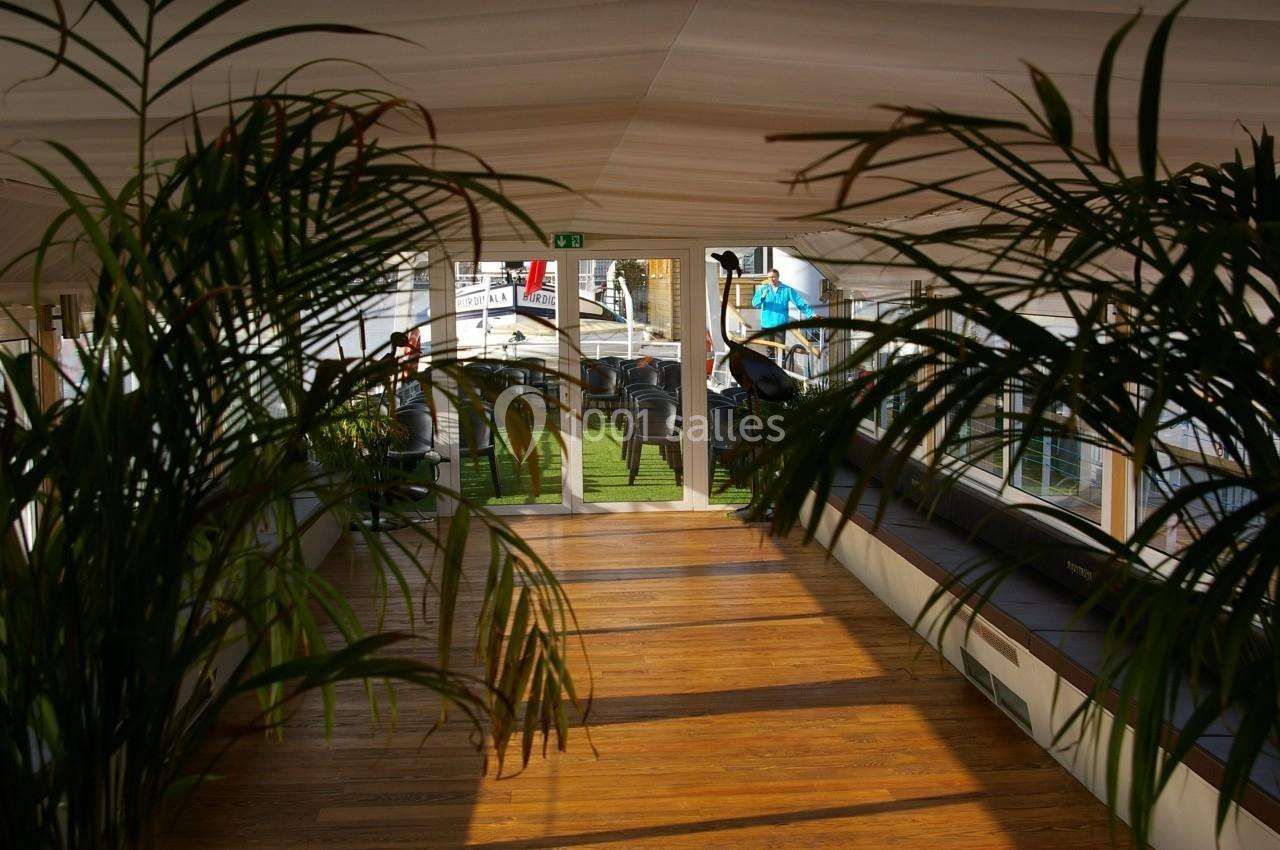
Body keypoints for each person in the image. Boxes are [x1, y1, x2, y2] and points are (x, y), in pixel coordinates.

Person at [751, 268, 814, 364]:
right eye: (769, 277)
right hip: (766, 324)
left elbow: (799, 302)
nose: (771, 279)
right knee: (769, 351)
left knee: (781, 349)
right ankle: (770, 371)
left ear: (778, 277)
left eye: (773, 277)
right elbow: (755, 304)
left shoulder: (787, 290)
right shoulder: (763, 289)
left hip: (780, 324)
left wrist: (811, 314)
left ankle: (783, 371)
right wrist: (762, 297)